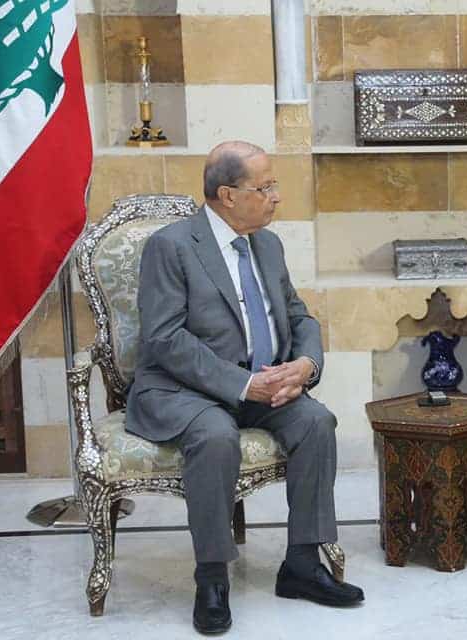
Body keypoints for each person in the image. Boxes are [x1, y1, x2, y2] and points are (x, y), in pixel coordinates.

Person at [126, 141, 364, 634]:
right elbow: (164, 339)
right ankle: (212, 577)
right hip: (185, 389)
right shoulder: (171, 246)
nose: (276, 196)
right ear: (228, 195)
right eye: (266, 187)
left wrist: (304, 364)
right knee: (215, 438)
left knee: (317, 422)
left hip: (265, 382)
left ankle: (301, 563)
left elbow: (298, 315)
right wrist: (242, 384)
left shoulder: (267, 244)